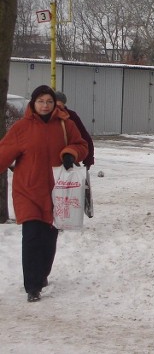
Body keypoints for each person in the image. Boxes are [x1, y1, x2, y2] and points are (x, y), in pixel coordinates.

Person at [0, 85, 88, 303]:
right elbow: (4, 151)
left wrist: (70, 153)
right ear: (33, 103)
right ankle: (32, 286)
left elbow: (82, 144)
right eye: (41, 101)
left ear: (54, 103)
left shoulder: (66, 125)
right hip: (28, 190)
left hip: (58, 192)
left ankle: (42, 275)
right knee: (31, 236)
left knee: (49, 238)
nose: (45, 105)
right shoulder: (22, 128)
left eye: (49, 101)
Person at [55, 91, 95, 169]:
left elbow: (85, 138)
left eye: (59, 105)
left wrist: (88, 160)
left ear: (64, 104)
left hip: (68, 159)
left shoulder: (71, 117)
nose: (57, 109)